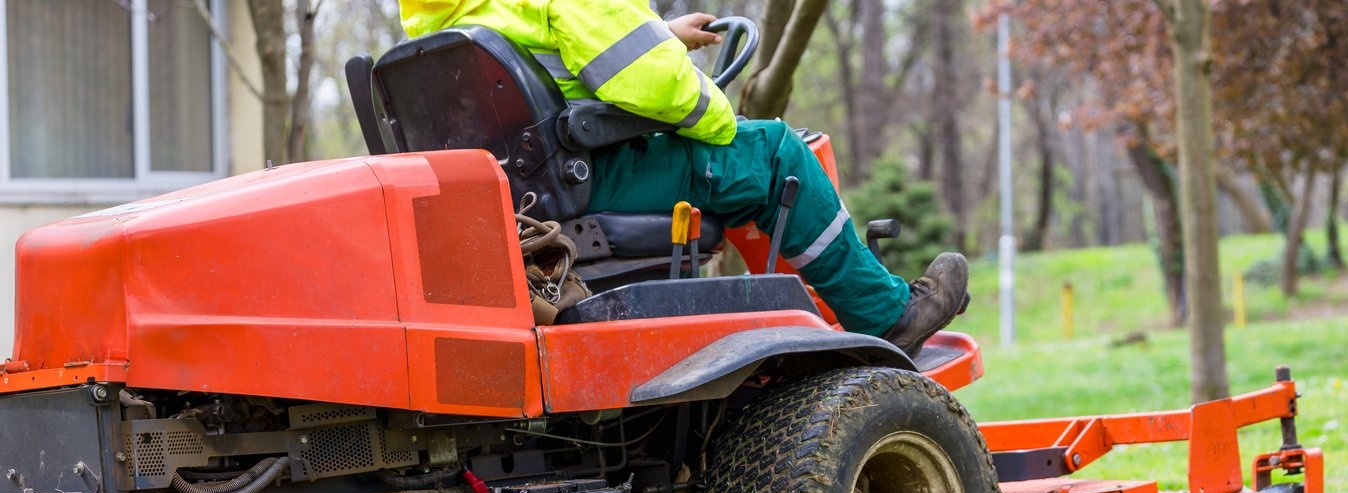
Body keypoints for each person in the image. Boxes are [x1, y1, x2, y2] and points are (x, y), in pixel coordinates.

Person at [399, 1, 969, 356]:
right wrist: (724, 119)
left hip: (529, 197)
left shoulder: (444, 17)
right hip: (592, 177)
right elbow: (662, 88)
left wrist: (660, 34)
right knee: (771, 153)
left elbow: (568, 56)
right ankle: (885, 314)